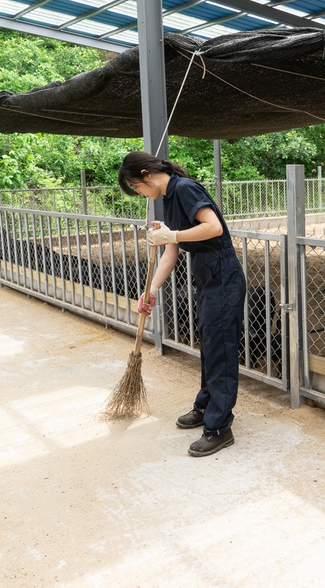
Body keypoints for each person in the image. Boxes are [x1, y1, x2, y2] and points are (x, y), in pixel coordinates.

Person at [118, 151, 246, 457]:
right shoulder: (168, 197)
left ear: (146, 175)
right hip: (207, 276)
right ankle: (205, 407)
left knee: (221, 348)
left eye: (136, 187)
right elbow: (170, 252)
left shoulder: (185, 188)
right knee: (210, 344)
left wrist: (170, 233)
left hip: (223, 275)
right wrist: (151, 289)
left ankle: (219, 427)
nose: (139, 193)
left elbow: (213, 227)